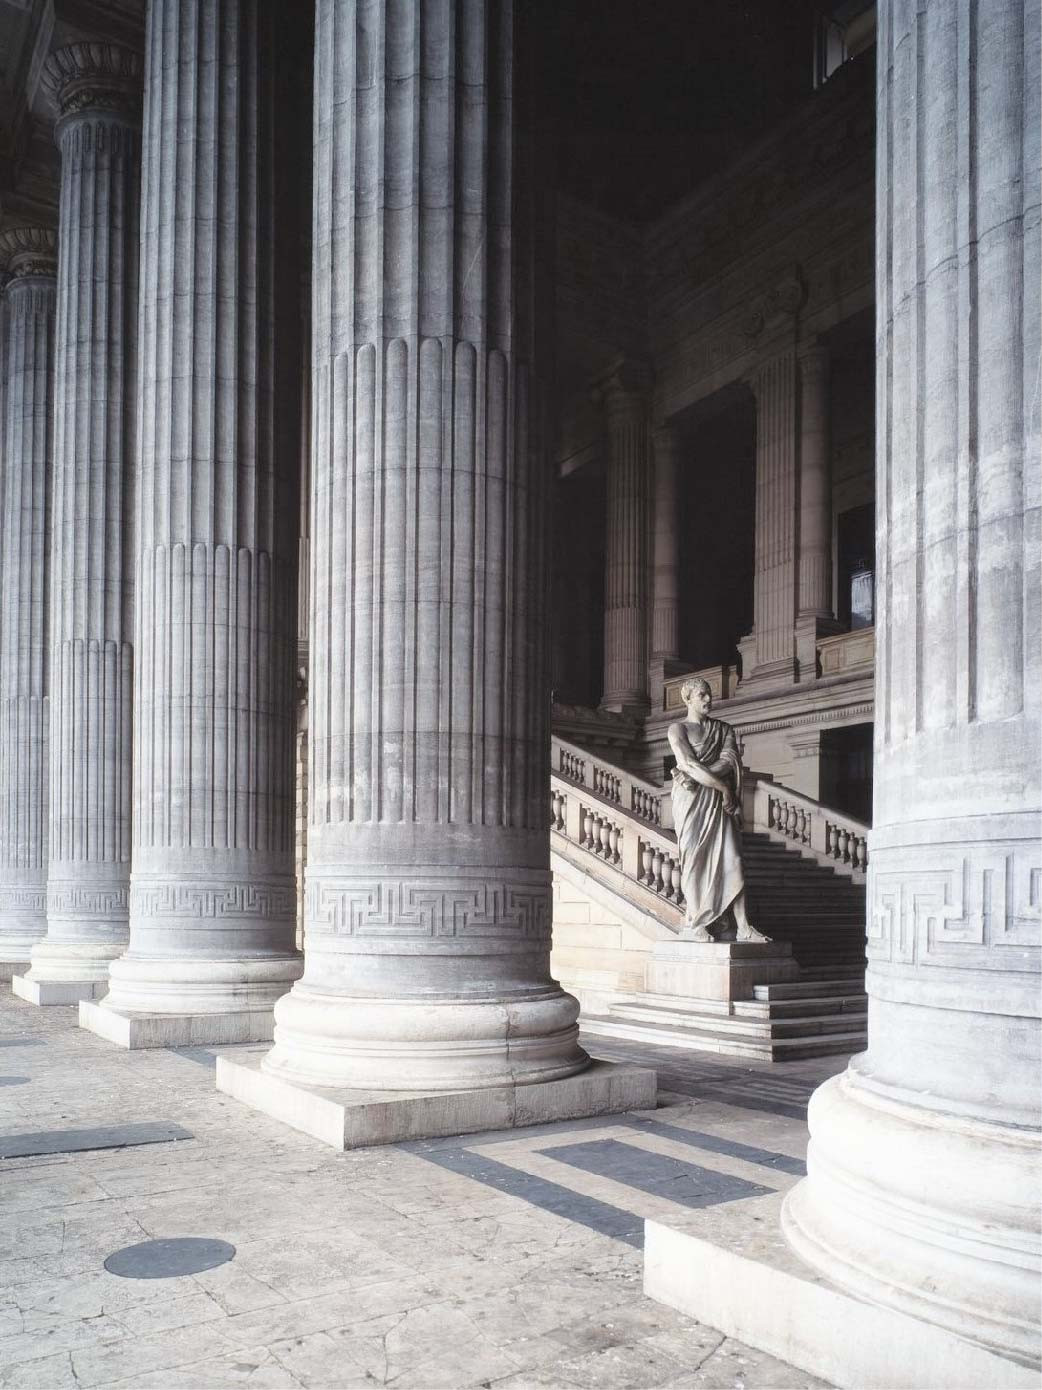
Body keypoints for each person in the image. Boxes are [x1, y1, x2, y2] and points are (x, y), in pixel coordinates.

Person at [667, 677, 769, 943]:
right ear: (687, 699)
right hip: (691, 803)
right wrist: (720, 787)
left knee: (733, 859)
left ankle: (744, 926)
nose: (708, 700)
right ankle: (696, 920)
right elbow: (687, 763)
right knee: (693, 859)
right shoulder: (677, 729)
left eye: (709, 695)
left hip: (714, 801)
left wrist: (698, 776)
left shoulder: (724, 730)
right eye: (702, 695)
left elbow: (728, 760)